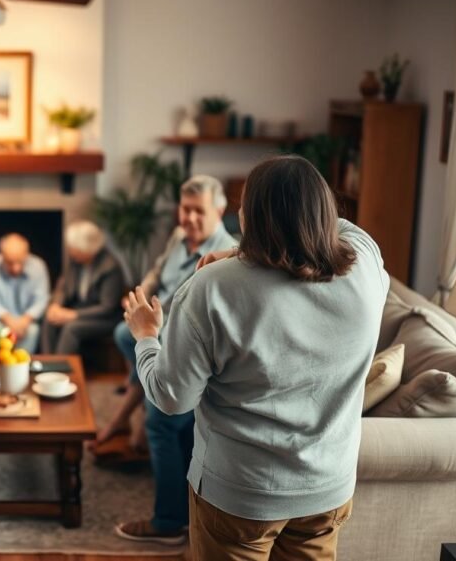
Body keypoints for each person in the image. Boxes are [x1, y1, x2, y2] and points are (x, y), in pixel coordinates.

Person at [124, 155, 387, 558]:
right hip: (327, 491)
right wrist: (239, 254)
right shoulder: (365, 264)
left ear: (251, 216)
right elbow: (335, 230)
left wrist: (146, 336)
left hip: (240, 496)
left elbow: (171, 397)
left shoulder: (212, 288)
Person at [95, 176, 236, 466]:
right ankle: (139, 396)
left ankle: (131, 415)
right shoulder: (178, 236)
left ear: (219, 212)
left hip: (183, 334)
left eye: (199, 211)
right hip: (159, 321)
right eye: (186, 209)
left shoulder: (228, 256)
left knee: (156, 410)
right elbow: (157, 271)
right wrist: (140, 294)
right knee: (123, 333)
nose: (190, 218)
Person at [41, 220, 124, 355]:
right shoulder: (76, 261)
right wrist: (56, 305)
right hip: (78, 310)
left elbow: (107, 307)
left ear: (87, 248)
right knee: (49, 319)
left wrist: (73, 315)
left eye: (74, 248)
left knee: (71, 328)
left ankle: (62, 365)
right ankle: (49, 363)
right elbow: (63, 287)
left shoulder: (110, 267)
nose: (70, 251)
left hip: (104, 319)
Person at [0, 233, 50, 353]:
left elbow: (41, 300)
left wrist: (25, 320)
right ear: (1, 256)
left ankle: (22, 362)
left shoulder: (38, 266)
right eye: (10, 262)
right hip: (1, 320)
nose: (15, 268)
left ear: (27, 255)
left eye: (20, 262)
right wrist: (9, 320)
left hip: (27, 322)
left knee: (33, 330)